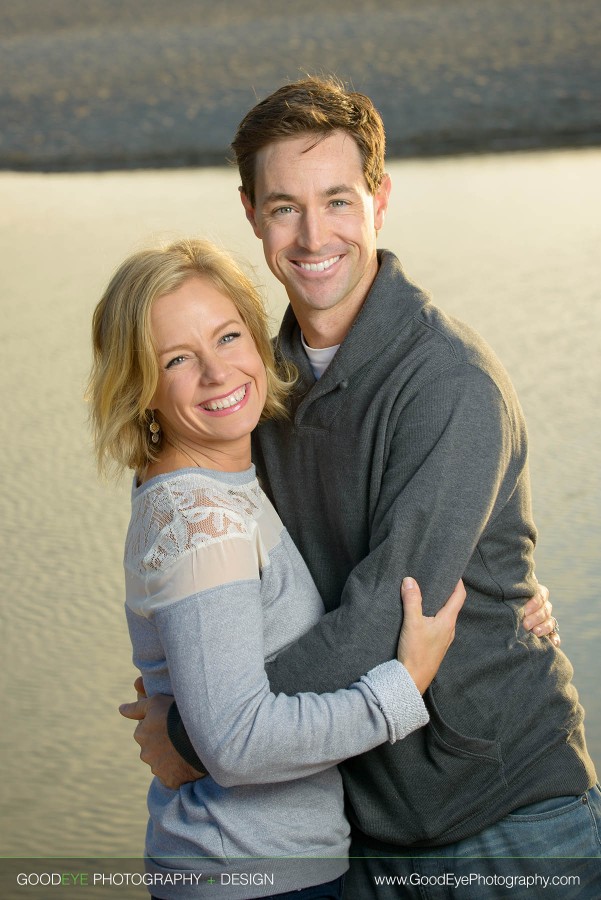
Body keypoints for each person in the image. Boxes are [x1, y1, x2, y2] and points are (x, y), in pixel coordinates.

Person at [121, 77, 601, 897]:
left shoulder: (450, 384)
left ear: (379, 199)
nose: (313, 236)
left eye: (337, 200)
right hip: (354, 829)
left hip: (504, 823)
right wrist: (195, 692)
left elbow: (389, 608)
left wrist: (199, 736)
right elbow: (204, 557)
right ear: (251, 215)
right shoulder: (249, 388)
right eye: (284, 207)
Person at [89, 237, 467, 899]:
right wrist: (401, 690)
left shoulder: (223, 483)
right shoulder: (199, 516)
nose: (216, 373)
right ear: (140, 386)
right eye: (177, 359)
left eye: (228, 336)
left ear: (259, 341)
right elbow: (237, 744)